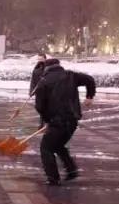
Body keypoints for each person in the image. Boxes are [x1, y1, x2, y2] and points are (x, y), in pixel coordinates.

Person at [33, 58, 96, 186]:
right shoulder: (70, 76)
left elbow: (39, 106)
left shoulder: (43, 82)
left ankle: (53, 178)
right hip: (72, 119)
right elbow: (89, 79)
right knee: (58, 145)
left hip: (57, 121)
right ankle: (71, 170)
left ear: (46, 68)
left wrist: (47, 120)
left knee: (46, 148)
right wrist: (89, 96)